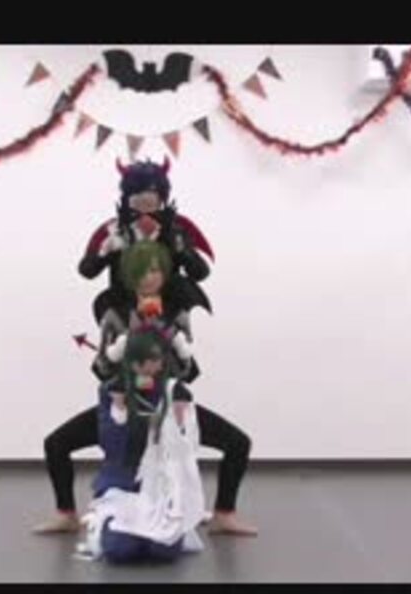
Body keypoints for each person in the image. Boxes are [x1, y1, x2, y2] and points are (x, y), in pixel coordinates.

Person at [35, 235, 257, 536]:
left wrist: (177, 351)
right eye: (139, 271)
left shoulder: (177, 313)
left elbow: (187, 371)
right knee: (56, 443)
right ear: (128, 274)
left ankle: (224, 514)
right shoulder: (114, 314)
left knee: (238, 443)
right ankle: (66, 514)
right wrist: (120, 352)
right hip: (124, 404)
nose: (148, 278)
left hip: (167, 404)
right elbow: (102, 369)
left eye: (154, 270)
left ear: (164, 273)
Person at [76, 329, 205, 563]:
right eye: (149, 361)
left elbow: (182, 444)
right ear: (133, 362)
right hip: (122, 483)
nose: (156, 367)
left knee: (164, 549)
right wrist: (120, 409)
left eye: (158, 361)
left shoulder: (171, 390)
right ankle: (109, 528)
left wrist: (177, 421)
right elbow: (111, 443)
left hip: (158, 487)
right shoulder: (113, 390)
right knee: (120, 549)